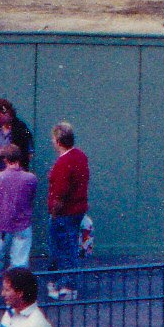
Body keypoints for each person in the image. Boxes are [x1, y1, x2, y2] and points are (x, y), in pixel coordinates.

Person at [0, 145, 37, 302]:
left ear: (5, 159)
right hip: (22, 224)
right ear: (20, 158)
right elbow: (31, 197)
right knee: (20, 262)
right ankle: (20, 296)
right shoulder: (31, 178)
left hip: (1, 225)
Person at [46, 121, 90, 301]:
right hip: (78, 210)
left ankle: (66, 286)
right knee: (71, 247)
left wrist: (55, 212)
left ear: (58, 141)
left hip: (64, 213)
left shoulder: (63, 163)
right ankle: (68, 285)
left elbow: (60, 193)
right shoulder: (80, 156)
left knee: (62, 249)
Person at [0, 99, 34, 182]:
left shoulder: (21, 128)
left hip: (15, 176)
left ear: (8, 113)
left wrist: (4, 152)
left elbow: (28, 153)